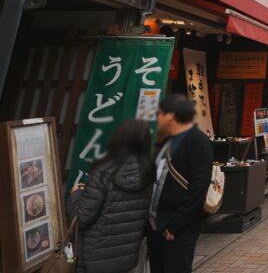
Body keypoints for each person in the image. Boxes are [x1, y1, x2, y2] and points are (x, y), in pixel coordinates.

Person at [67, 119, 154, 273]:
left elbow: (83, 218)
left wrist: (76, 195)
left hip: (94, 257)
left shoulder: (104, 171)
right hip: (126, 258)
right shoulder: (147, 173)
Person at [147, 94, 214, 273]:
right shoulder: (164, 141)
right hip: (154, 224)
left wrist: (175, 225)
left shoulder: (198, 142)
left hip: (178, 228)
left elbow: (198, 189)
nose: (157, 118)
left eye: (160, 113)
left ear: (171, 115)